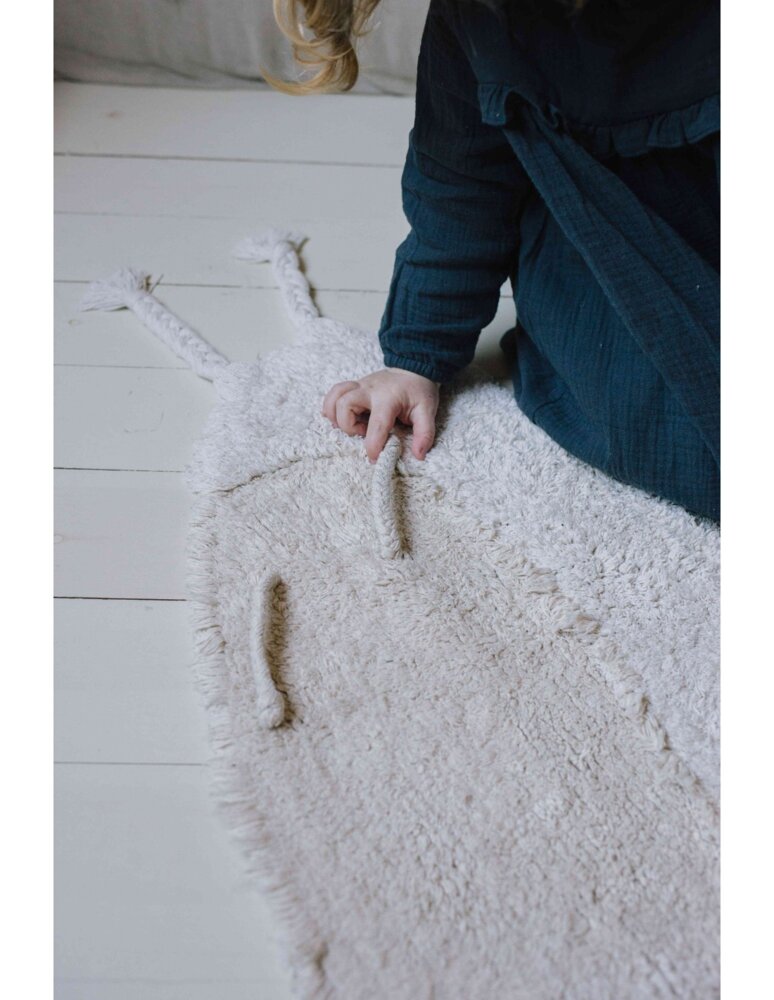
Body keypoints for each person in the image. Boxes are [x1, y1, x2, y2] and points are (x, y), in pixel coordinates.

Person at [269, 0, 720, 523]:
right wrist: (415, 357)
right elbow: (461, 191)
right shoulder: (483, 17)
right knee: (680, 433)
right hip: (601, 242)